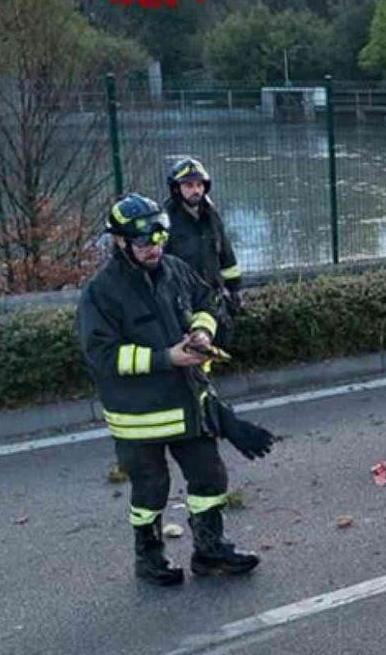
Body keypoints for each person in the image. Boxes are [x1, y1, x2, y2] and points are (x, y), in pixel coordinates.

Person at [77, 194, 263, 586]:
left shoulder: (174, 269)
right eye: (144, 242)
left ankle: (210, 552)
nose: (154, 248)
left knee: (210, 476)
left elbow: (207, 301)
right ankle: (149, 559)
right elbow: (103, 356)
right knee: (150, 489)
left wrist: (201, 330)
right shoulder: (101, 292)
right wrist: (166, 358)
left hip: (186, 405)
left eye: (159, 238)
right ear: (120, 242)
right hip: (138, 416)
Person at [163, 158, 243, 346]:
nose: (196, 190)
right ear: (176, 188)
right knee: (191, 350)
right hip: (182, 302)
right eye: (189, 185)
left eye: (199, 185)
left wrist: (235, 289)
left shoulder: (211, 216)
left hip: (212, 297)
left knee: (216, 346)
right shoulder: (165, 220)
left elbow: (226, 254)